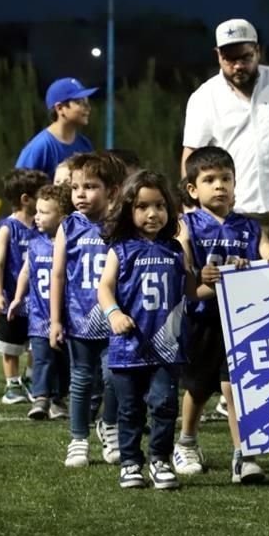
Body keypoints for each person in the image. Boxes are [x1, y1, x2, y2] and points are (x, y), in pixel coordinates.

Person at [171, 146, 269, 483]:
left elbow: (268, 255)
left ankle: (244, 456)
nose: (219, 186)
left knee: (235, 388)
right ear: (192, 189)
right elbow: (185, 269)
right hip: (202, 318)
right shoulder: (187, 225)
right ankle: (186, 441)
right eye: (209, 180)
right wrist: (199, 272)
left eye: (225, 179)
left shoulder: (249, 226)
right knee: (198, 388)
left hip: (241, 321)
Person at [0, 78, 97, 387]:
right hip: (38, 233)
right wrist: (21, 230)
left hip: (66, 230)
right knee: (8, 292)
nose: (87, 106)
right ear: (60, 108)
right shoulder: (41, 146)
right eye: (80, 101)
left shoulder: (84, 145)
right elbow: (20, 186)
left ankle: (44, 366)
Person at [98, 171, 215, 489]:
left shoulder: (176, 250)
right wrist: (114, 314)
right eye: (143, 206)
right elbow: (105, 288)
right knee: (131, 409)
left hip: (167, 347)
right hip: (129, 346)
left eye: (160, 205)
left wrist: (211, 280)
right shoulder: (120, 249)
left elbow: (191, 291)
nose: (153, 213)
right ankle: (131, 463)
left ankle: (160, 460)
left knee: (164, 405)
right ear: (128, 210)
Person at [182, 18, 269, 254]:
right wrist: (190, 203)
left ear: (258, 51)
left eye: (245, 57)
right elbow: (192, 153)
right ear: (217, 55)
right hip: (236, 216)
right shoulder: (204, 97)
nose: (237, 65)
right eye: (229, 58)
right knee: (249, 285)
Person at [53, 152, 127, 468]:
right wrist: (56, 319)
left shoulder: (121, 226)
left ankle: (109, 426)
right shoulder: (68, 226)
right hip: (79, 317)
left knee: (115, 378)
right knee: (81, 379)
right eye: (75, 187)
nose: (80, 194)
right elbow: (58, 274)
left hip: (114, 317)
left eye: (90, 186)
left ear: (111, 190)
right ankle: (78, 439)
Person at [9, 183, 75, 420]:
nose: (37, 217)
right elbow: (26, 272)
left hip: (67, 316)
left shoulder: (71, 244)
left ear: (63, 216)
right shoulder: (36, 243)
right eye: (37, 211)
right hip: (39, 315)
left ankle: (59, 398)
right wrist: (17, 298)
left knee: (64, 360)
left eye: (44, 212)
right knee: (42, 357)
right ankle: (41, 398)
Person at [0, 169, 47, 404]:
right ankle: (12, 384)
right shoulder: (8, 228)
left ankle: (32, 377)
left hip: (36, 298)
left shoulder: (42, 225)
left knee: (36, 342)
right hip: (11, 296)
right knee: (10, 345)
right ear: (26, 199)